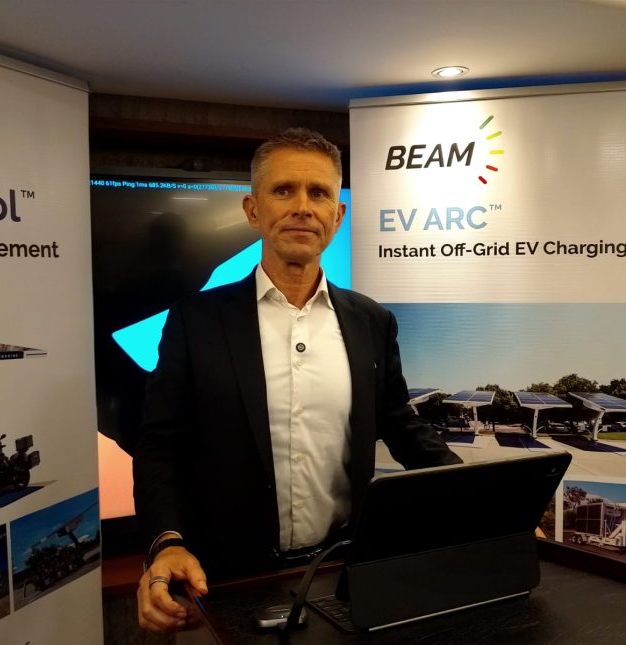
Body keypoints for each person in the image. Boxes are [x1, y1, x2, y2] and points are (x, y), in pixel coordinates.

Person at [133, 128, 462, 633]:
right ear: (253, 209)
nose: (303, 207)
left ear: (338, 215)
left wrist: (476, 498)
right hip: (225, 577)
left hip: (344, 569)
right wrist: (166, 542)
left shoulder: (372, 321)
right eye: (284, 190)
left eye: (319, 193)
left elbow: (400, 423)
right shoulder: (195, 320)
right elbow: (160, 446)